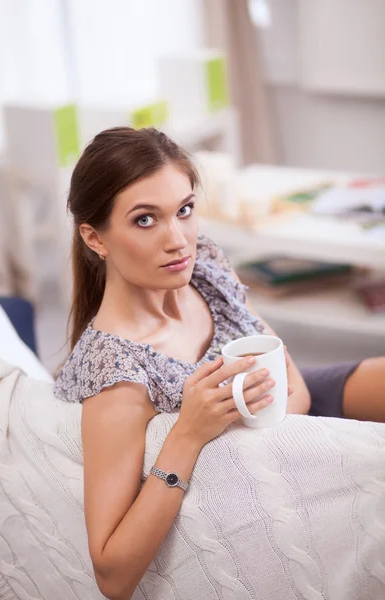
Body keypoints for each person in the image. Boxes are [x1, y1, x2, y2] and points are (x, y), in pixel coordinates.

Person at [54, 127, 385, 600]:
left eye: (184, 210)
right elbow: (112, 574)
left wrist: (284, 406)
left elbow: (290, 371)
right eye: (146, 220)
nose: (178, 240)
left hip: (289, 413)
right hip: (280, 439)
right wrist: (188, 432)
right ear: (95, 237)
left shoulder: (203, 263)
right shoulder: (116, 376)